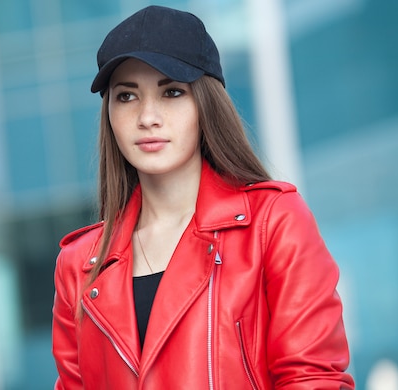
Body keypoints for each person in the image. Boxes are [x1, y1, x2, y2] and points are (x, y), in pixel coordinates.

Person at [51, 5, 354, 389]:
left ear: (205, 105)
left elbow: (313, 378)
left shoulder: (273, 222)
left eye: (172, 92)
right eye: (126, 97)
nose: (147, 117)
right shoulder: (78, 264)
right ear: (109, 113)